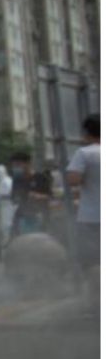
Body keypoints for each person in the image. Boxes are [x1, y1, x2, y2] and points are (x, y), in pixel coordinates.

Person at [65, 114, 100, 282]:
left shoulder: (85, 153)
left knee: (92, 261)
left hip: (92, 218)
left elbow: (73, 180)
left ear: (86, 133)